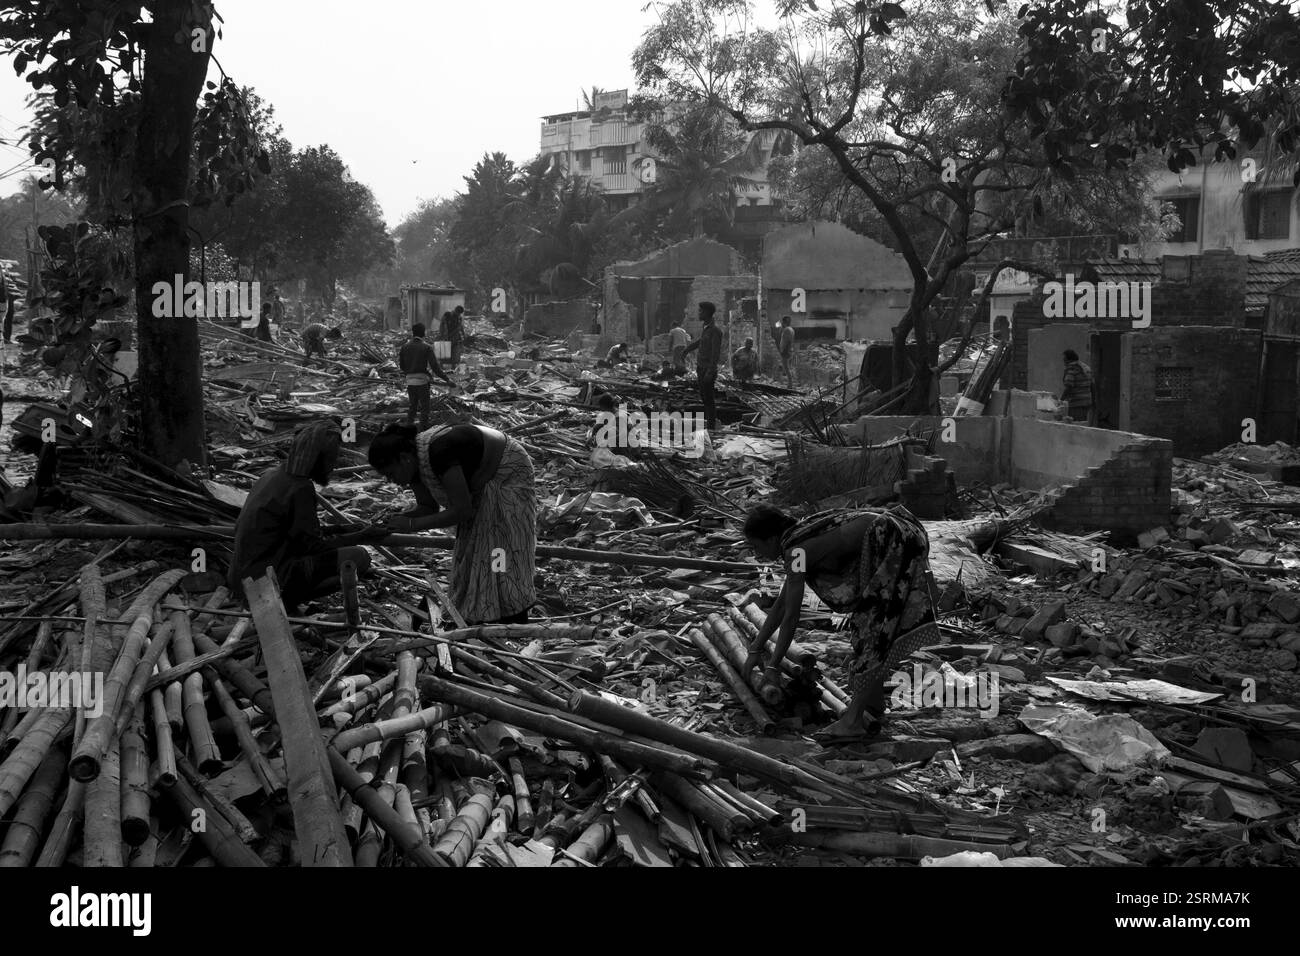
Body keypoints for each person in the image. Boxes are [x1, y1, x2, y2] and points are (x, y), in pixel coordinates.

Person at [741, 503, 940, 743]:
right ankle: (873, 706)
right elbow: (782, 604)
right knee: (872, 627)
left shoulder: (795, 552)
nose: (758, 553)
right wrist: (756, 648)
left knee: (873, 628)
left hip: (891, 538)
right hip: (903, 531)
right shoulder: (800, 538)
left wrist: (772, 667)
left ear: (771, 538)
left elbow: (791, 615)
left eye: (757, 546)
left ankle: (853, 721)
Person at [367, 421, 537, 625]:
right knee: (475, 554)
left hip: (505, 472)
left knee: (498, 549)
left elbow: (462, 511)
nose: (391, 481)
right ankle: (485, 610)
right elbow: (427, 508)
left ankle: (511, 613)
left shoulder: (439, 453)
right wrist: (395, 522)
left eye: (390, 474)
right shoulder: (415, 463)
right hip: (479, 481)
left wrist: (411, 525)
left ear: (403, 459)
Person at [228, 420, 372, 610]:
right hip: (262, 582)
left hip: (241, 576)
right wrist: (363, 536)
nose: (333, 465)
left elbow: (296, 533)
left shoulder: (272, 475)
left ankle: (285, 598)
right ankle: (285, 601)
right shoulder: (300, 488)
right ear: (317, 458)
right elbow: (312, 546)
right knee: (359, 557)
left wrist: (342, 528)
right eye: (331, 459)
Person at [399, 323, 454, 430]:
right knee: (425, 408)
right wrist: (447, 379)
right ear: (423, 333)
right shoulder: (426, 347)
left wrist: (410, 372)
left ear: (413, 333)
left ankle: (408, 429)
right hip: (422, 382)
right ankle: (422, 431)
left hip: (410, 381)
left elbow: (402, 366)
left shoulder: (404, 347)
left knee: (412, 407)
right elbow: (435, 367)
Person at [682, 301, 723, 431]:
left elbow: (715, 353)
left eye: (701, 311)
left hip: (707, 370)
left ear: (707, 313)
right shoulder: (706, 328)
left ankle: (711, 428)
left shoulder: (715, 331)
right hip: (701, 368)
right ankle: (710, 426)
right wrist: (688, 349)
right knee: (704, 398)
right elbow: (701, 342)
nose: (699, 313)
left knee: (709, 400)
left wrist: (710, 372)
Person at [1061, 349, 1096, 425]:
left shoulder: (1072, 368)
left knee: (1075, 425)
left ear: (1068, 360)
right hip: (1086, 401)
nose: (1064, 362)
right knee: (1082, 423)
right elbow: (1092, 385)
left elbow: (1069, 387)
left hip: (1076, 402)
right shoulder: (1086, 368)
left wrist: (1060, 400)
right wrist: (1093, 401)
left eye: (1064, 360)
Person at [777, 316, 796, 387]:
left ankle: (790, 384)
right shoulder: (790, 329)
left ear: (784, 322)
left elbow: (787, 341)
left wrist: (784, 351)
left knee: (786, 368)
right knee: (787, 368)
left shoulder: (787, 330)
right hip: (788, 350)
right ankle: (788, 383)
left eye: (782, 322)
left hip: (786, 351)